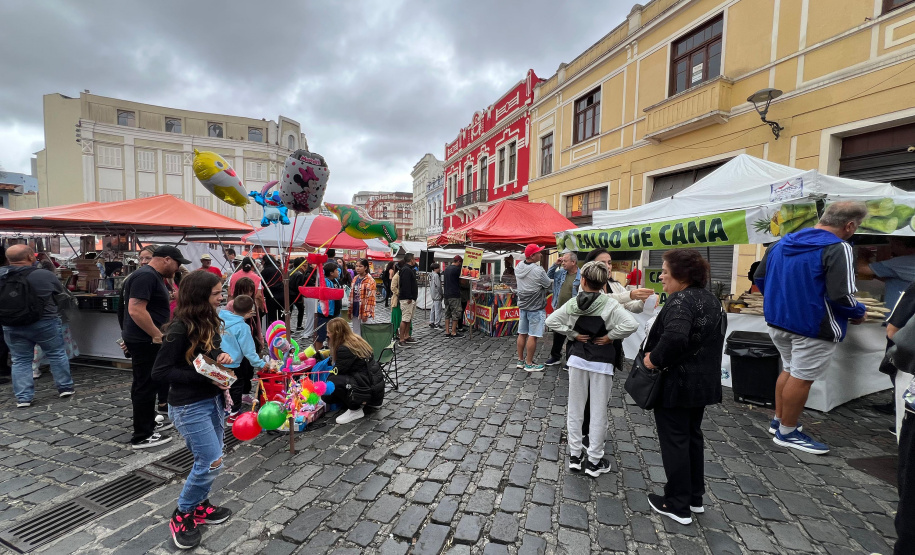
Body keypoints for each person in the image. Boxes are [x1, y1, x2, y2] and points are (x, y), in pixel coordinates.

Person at [754, 201, 868, 455]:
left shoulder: (780, 243)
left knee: (790, 370)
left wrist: (780, 301)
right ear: (849, 225)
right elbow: (842, 295)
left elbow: (759, 279)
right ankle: (787, 432)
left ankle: (780, 421)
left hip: (778, 321)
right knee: (801, 378)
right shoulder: (839, 248)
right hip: (813, 325)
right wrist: (859, 312)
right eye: (857, 226)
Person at [642, 249, 727, 525]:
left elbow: (676, 337)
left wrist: (652, 360)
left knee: (676, 440)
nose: (661, 276)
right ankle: (694, 497)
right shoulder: (712, 299)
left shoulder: (680, 300)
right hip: (701, 384)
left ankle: (677, 503)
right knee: (692, 437)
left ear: (681, 274)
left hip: (677, 385)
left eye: (665, 270)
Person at [151, 270, 234, 550]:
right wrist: (199, 375)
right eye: (216, 293)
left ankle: (200, 505)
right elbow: (160, 372)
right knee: (210, 461)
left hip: (212, 400)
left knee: (212, 458)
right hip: (189, 406)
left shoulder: (208, 319)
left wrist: (220, 357)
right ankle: (183, 513)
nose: (221, 297)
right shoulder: (178, 329)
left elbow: (211, 351)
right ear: (200, 297)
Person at [545, 260, 638, 477]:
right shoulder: (610, 304)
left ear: (583, 281)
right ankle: (594, 460)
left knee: (575, 408)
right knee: (598, 412)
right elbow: (631, 325)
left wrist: (574, 334)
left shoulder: (574, 302)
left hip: (577, 358)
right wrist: (609, 337)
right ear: (604, 283)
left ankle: (575, 456)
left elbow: (551, 320)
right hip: (602, 362)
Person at [124, 245, 190, 448]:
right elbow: (135, 309)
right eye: (178, 264)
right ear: (167, 259)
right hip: (145, 340)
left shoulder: (150, 276)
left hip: (144, 339)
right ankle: (142, 435)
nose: (178, 268)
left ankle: (149, 423)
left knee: (149, 383)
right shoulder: (146, 276)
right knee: (144, 385)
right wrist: (156, 335)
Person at [0, 245, 75, 407]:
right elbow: (59, 292)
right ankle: (65, 387)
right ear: (30, 257)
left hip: (12, 324)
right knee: (56, 353)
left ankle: (23, 398)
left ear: (8, 259)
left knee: (20, 360)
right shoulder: (44, 275)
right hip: (45, 322)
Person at [219, 295, 267, 425]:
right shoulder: (242, 327)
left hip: (217, 359)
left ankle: (223, 410)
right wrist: (261, 364)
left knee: (222, 386)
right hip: (233, 363)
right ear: (250, 310)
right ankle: (234, 414)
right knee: (236, 387)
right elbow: (249, 351)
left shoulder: (221, 317)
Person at [514, 244, 553, 371]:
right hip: (536, 306)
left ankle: (520, 361)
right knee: (533, 335)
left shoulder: (519, 266)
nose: (541, 254)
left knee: (522, 333)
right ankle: (529, 363)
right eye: (538, 253)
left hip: (523, 305)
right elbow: (547, 284)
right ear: (532, 256)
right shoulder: (538, 270)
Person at [857, 237, 915, 312]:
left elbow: (863, 269)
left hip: (899, 316)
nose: (891, 248)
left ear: (899, 244)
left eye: (892, 245)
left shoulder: (903, 262)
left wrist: (863, 254)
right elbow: (896, 277)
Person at [545, 252, 581, 367]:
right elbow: (548, 276)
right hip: (559, 308)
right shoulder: (561, 272)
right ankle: (555, 357)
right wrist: (555, 264)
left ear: (573, 262)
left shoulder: (581, 276)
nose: (563, 263)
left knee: (572, 335)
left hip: (574, 311)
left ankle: (570, 360)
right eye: (563, 261)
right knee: (558, 334)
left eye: (565, 261)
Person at [227, 277, 265, 352]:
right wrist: (243, 317)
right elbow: (228, 323)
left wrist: (260, 338)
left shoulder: (252, 303)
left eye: (250, 291)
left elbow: (257, 321)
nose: (248, 294)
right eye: (245, 292)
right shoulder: (232, 304)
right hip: (239, 340)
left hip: (252, 337)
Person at [314, 262, 340, 350]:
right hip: (325, 313)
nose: (338, 272)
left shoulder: (335, 281)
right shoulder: (325, 282)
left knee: (333, 335)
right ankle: (318, 354)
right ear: (331, 273)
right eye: (336, 270)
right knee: (321, 335)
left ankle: (330, 352)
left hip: (335, 312)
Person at [349, 258, 377, 336]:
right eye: (356, 266)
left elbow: (371, 298)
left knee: (366, 333)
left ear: (365, 267)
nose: (357, 268)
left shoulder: (370, 280)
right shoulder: (355, 278)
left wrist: (367, 313)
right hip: (355, 308)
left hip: (364, 309)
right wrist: (350, 309)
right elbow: (351, 294)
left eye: (360, 266)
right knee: (356, 332)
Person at [398, 254, 419, 346]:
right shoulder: (406, 270)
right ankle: (401, 339)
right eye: (414, 259)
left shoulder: (409, 269)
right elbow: (406, 285)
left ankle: (406, 335)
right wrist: (409, 297)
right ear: (411, 260)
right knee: (405, 319)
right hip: (407, 299)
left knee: (409, 318)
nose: (415, 261)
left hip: (411, 298)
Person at [443, 256, 463, 338]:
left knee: (447, 313)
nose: (460, 264)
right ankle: (453, 332)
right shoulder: (457, 269)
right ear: (458, 261)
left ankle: (447, 331)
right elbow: (462, 282)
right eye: (460, 262)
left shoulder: (447, 269)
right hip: (454, 294)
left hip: (447, 293)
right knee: (456, 313)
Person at [429, 262, 444, 330]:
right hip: (437, 294)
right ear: (435, 268)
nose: (439, 269)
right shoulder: (436, 276)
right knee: (438, 309)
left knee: (433, 308)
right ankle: (437, 323)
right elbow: (439, 286)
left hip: (433, 294)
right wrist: (441, 293)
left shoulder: (430, 274)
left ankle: (432, 321)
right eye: (438, 268)